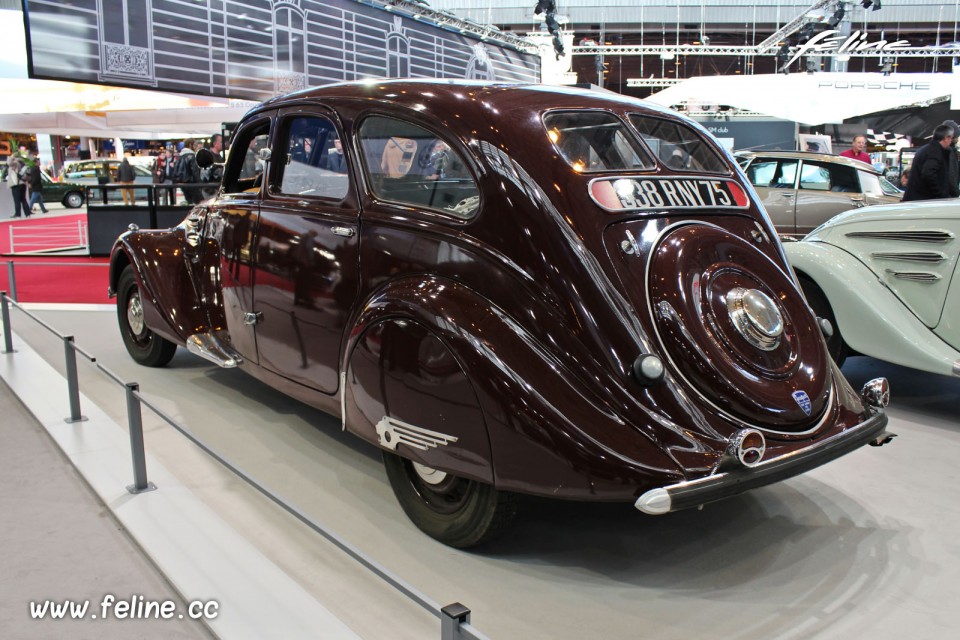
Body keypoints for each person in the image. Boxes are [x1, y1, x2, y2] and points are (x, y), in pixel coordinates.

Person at [901, 124, 955, 202]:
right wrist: (941, 194)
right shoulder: (935, 152)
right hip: (924, 200)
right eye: (951, 138)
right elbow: (928, 173)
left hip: (917, 198)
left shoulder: (926, 149)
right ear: (946, 138)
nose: (951, 141)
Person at [941, 120, 960, 197]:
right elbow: (951, 175)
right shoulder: (949, 151)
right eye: (957, 136)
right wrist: (956, 193)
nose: (958, 138)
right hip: (947, 197)